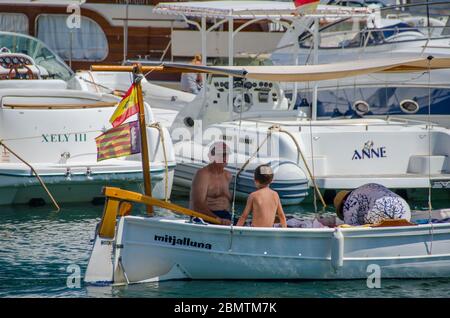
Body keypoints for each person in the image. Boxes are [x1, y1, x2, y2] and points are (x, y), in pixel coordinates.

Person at [189, 141, 232, 225]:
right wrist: (217, 219)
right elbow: (198, 204)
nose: (225, 157)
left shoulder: (228, 175)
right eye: (221, 154)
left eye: (226, 154)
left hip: (225, 218)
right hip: (206, 218)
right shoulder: (203, 174)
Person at [334, 183, 411, 226]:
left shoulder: (349, 201)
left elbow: (351, 226)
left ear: (343, 202)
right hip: (405, 209)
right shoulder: (365, 188)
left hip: (383, 213)